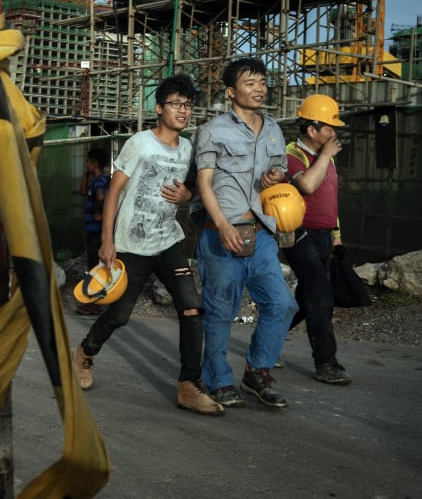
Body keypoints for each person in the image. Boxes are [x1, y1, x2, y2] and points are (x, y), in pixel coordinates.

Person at [72, 74, 224, 416]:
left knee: (191, 308)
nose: (183, 111)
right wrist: (107, 241)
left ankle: (189, 385)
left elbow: (194, 189)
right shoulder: (139, 143)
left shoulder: (188, 148)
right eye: (175, 104)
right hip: (131, 246)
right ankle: (85, 352)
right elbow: (114, 191)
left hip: (168, 241)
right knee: (120, 314)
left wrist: (187, 195)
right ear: (159, 108)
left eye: (187, 105)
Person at [191, 57, 298, 409]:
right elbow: (204, 184)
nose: (260, 88)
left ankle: (257, 370)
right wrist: (221, 224)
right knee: (221, 309)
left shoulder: (273, 129)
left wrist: (276, 176)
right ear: (230, 91)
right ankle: (217, 378)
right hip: (221, 232)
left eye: (262, 81)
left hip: (261, 232)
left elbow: (279, 166)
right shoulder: (211, 131)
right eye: (250, 82)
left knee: (282, 303)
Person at [283, 94, 352, 385]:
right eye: (328, 127)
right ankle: (326, 362)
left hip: (324, 236)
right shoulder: (291, 155)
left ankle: (268, 338)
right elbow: (308, 186)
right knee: (320, 295)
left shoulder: (327, 157)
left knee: (306, 296)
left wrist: (336, 237)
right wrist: (324, 156)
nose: (333, 132)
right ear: (312, 130)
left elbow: (330, 200)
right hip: (299, 235)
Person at [76, 148, 110, 316]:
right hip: (91, 230)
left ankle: (94, 303)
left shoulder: (101, 181)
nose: (86, 164)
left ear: (94, 163)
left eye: (88, 162)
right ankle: (93, 301)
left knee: (94, 267)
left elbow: (101, 197)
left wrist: (98, 211)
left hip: (96, 232)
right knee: (92, 266)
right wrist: (86, 175)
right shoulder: (96, 180)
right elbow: (83, 192)